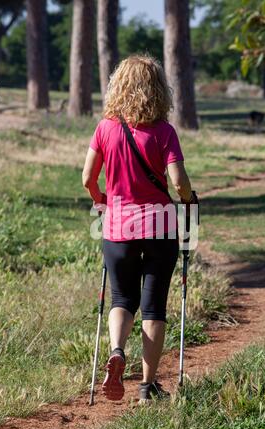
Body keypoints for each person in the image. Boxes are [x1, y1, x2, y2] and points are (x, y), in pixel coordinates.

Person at [82, 55, 194, 403]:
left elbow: (87, 178)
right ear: (159, 89)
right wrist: (189, 200)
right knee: (154, 306)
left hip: (117, 227)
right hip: (159, 227)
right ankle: (147, 387)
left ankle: (117, 350)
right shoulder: (164, 131)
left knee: (122, 298)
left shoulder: (105, 128)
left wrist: (103, 199)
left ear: (119, 86)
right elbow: (178, 184)